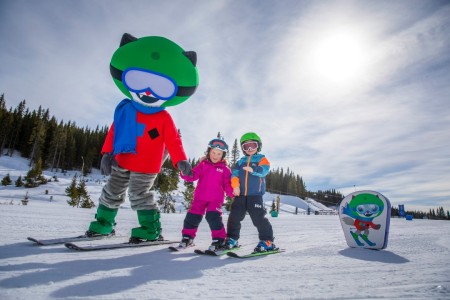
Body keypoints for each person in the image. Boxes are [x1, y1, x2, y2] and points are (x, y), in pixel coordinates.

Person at [86, 33, 199, 243]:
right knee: (111, 191)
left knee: (139, 195)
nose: (148, 91)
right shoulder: (125, 110)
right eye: (138, 81)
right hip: (122, 159)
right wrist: (107, 153)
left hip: (146, 164)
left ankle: (150, 229)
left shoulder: (163, 117)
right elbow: (114, 132)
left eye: (161, 87)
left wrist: (180, 160)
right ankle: (103, 225)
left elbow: (174, 140)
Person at [178, 138, 234, 251]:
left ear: (223, 156)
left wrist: (234, 194)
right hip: (199, 198)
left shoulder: (225, 170)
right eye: (213, 152)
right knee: (192, 217)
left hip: (215, 200)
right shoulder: (203, 165)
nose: (215, 155)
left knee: (213, 217)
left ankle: (219, 240)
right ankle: (187, 237)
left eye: (219, 154)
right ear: (208, 152)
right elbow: (193, 176)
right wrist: (185, 172)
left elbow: (228, 185)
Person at [226, 132, 276, 252]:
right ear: (243, 149)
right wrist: (235, 186)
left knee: (258, 218)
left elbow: (264, 170)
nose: (249, 149)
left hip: (255, 195)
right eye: (246, 146)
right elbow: (234, 175)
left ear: (258, 146)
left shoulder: (262, 159)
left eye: (252, 145)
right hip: (241, 195)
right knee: (234, 217)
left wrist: (253, 169)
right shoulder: (240, 162)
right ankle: (232, 239)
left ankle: (267, 241)